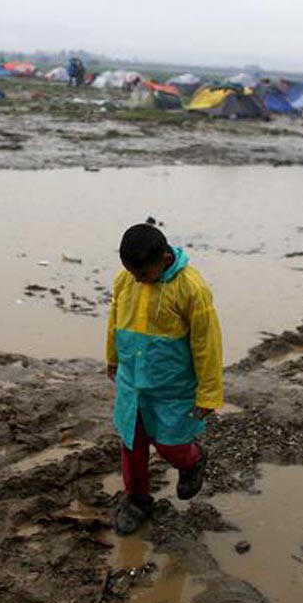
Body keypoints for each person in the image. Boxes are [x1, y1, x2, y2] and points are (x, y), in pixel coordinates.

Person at [106, 223, 223, 536]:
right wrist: (112, 358)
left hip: (172, 387)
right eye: (131, 273)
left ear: (165, 259)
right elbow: (115, 320)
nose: (136, 279)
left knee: (170, 443)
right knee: (132, 443)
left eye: (142, 274)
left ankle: (192, 461)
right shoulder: (125, 281)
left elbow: (207, 343)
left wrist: (208, 394)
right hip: (133, 382)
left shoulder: (191, 289)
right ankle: (137, 499)